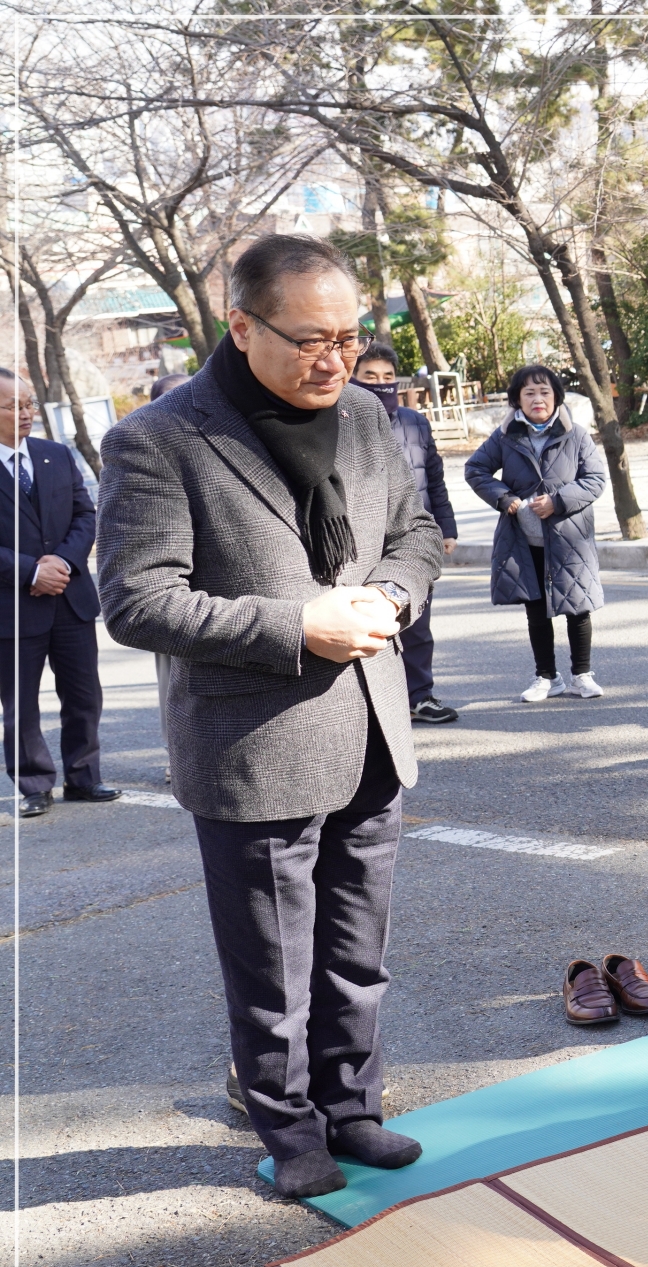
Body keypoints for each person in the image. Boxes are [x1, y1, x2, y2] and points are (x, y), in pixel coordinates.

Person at [96, 233, 443, 1198]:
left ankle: (354, 1106)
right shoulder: (160, 438)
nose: (333, 357)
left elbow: (416, 535)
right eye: (309, 338)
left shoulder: (370, 416)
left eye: (348, 335)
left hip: (373, 723)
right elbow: (138, 600)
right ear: (241, 326)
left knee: (354, 951)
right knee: (273, 965)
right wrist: (299, 625)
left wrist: (394, 598)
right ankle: (288, 1125)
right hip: (253, 746)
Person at [0, 369, 117, 816]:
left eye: (28, 404)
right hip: (13, 604)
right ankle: (33, 785)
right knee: (21, 704)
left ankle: (84, 777)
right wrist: (31, 570)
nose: (26, 413)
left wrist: (63, 562)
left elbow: (86, 515)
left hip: (69, 597)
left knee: (84, 694)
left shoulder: (56, 455)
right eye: (15, 406)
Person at [465, 365, 608, 702]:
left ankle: (581, 676)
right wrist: (507, 500)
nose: (537, 399)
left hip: (570, 538)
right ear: (517, 400)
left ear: (556, 396)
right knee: (536, 610)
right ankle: (547, 676)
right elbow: (476, 469)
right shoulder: (505, 436)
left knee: (578, 607)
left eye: (544, 392)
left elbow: (596, 480)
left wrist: (558, 501)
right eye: (528, 393)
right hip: (524, 539)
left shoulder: (577, 435)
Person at [353, 345, 460, 724]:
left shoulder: (415, 422)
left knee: (416, 623)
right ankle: (373, 706)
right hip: (362, 541)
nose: (381, 385)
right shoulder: (340, 416)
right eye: (370, 377)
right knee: (369, 624)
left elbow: (435, 480)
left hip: (413, 537)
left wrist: (445, 528)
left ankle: (420, 696)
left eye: (387, 378)